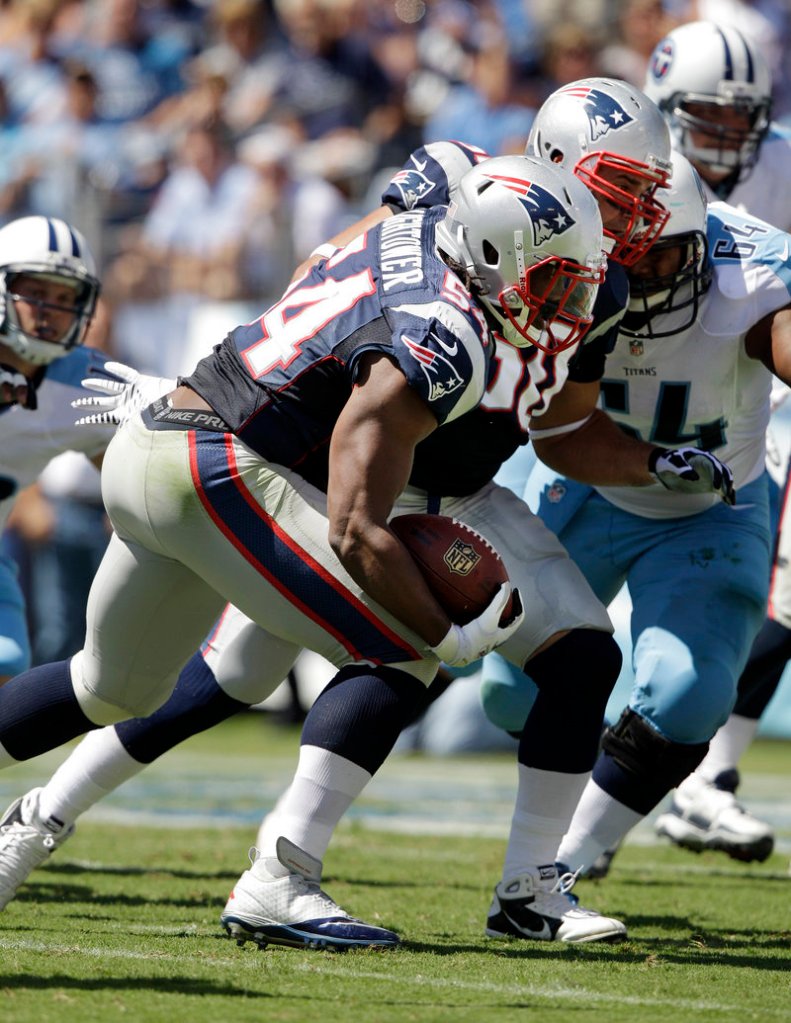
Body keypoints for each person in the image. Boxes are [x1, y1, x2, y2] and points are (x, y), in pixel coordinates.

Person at [0, 82, 727, 949]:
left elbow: (560, 421)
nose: (642, 212)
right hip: (299, 468)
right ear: (557, 164)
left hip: (426, 484)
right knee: (343, 647)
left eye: (650, 190)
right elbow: (335, 296)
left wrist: (651, 461)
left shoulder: (582, 278)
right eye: (626, 184)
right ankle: (263, 868)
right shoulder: (454, 260)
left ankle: (532, 885)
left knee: (118, 682)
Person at [480, 148, 791, 882]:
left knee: (690, 694)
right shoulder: (570, 262)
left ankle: (568, 859)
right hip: (582, 477)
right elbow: (550, 419)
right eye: (635, 259)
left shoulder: (751, 272)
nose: (648, 276)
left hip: (712, 499)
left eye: (666, 257)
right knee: (510, 690)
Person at [642, 18, 791, 862]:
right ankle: (678, 776)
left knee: (772, 589)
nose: (729, 137)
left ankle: (703, 779)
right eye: (710, 116)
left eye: (744, 120)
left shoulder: (778, 167)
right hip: (624, 397)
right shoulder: (631, 165)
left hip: (746, 392)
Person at [0, 214, 112, 685]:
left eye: (65, 299)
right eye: (38, 293)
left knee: (6, 664)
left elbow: (137, 470)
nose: (49, 311)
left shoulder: (85, 384)